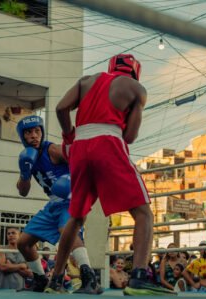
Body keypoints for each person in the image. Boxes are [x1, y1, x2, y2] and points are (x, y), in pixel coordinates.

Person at [47, 53, 175, 296]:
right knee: (143, 212)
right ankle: (138, 278)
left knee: (76, 216)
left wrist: (70, 135)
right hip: (108, 143)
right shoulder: (136, 88)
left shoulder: (86, 81)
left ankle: (55, 281)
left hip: (80, 148)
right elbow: (130, 138)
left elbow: (61, 107)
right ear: (135, 72)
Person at [15, 115, 100, 293]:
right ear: (23, 137)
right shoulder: (28, 157)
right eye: (29, 132)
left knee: (66, 233)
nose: (34, 136)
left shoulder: (52, 150)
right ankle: (39, 280)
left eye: (37, 131)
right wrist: (25, 173)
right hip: (52, 205)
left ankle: (89, 279)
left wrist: (70, 179)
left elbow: (80, 159)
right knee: (23, 243)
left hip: (69, 201)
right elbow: (23, 192)